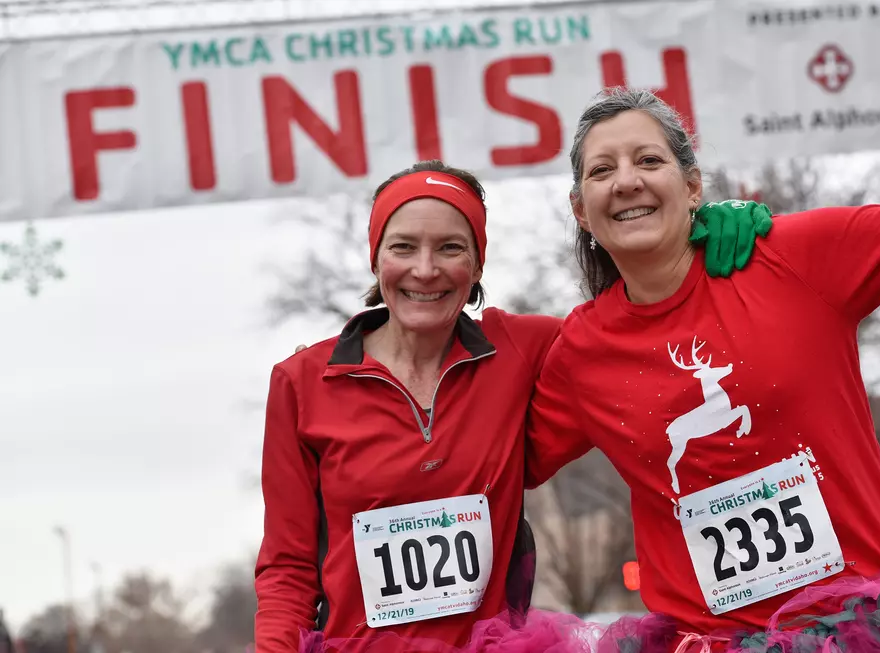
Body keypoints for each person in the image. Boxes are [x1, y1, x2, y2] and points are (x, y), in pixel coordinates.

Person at [525, 86, 880, 652]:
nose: (626, 181)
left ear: (692, 186)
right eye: (602, 170)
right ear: (580, 208)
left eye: (648, 160)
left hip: (870, 630)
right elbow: (482, 463)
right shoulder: (578, 353)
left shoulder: (795, 256)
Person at [253, 159, 771, 653]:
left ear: (477, 261)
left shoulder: (525, 348)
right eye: (404, 247)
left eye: (451, 248)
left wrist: (697, 236)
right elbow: (288, 570)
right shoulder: (302, 383)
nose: (425, 269)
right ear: (376, 257)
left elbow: (636, 327)